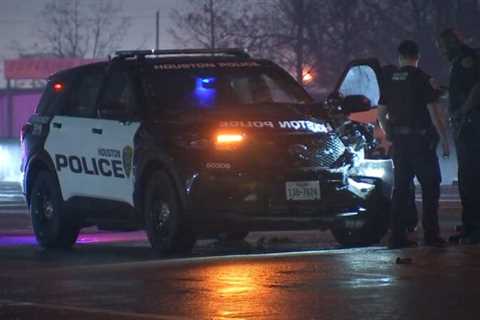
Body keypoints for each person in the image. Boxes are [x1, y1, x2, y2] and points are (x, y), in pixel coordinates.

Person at [378, 40, 450, 248]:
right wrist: (444, 139)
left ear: (399, 57)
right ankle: (431, 234)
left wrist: (389, 133)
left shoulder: (390, 80)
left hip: (400, 142)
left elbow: (381, 112)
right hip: (420, 141)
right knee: (430, 186)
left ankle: (397, 236)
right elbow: (434, 112)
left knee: (400, 189)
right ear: (417, 57)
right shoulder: (423, 78)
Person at [437, 29, 480, 244]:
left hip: (471, 124)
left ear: (452, 43)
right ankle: (470, 226)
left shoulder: (467, 60)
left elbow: (476, 88)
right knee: (466, 178)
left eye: (443, 46)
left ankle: (475, 230)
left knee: (472, 178)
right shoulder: (459, 61)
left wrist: (463, 111)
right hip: (465, 124)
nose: (442, 51)